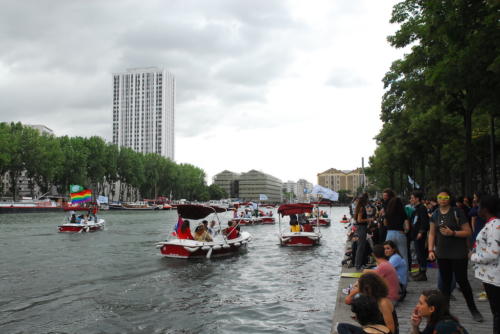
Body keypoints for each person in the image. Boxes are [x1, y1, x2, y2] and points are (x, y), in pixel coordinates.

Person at [428, 189, 483, 322]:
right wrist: (430, 250)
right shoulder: (435, 214)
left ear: (449, 198)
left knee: (462, 282)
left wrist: (453, 233)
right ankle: (445, 313)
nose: (442, 199)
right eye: (440, 197)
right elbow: (432, 234)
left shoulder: (457, 212)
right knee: (445, 284)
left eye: (445, 197)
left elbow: (468, 231)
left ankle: (473, 309)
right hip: (442, 253)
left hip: (458, 253)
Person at [471, 195, 500, 334]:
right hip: (491, 276)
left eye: (478, 205)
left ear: (485, 209)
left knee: (497, 313)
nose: (477, 208)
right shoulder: (492, 224)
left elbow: (492, 253)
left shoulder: (495, 226)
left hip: (494, 277)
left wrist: (473, 256)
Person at [383, 196, 409, 270]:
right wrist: (405, 231)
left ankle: (389, 274)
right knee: (403, 255)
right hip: (400, 234)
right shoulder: (403, 212)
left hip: (390, 233)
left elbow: (385, 223)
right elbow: (407, 227)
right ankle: (405, 276)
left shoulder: (388, 212)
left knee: (388, 254)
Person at [409, 191, 430, 281]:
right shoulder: (416, 209)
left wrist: (421, 232)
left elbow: (424, 222)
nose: (411, 200)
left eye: (412, 198)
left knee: (421, 253)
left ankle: (423, 273)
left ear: (417, 198)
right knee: (418, 254)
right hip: (415, 234)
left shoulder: (422, 208)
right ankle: (420, 272)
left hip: (420, 235)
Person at [355, 193, 372, 270]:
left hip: (361, 228)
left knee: (361, 246)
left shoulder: (360, 207)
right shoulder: (361, 208)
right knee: (361, 247)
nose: (368, 201)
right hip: (361, 228)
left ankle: (360, 264)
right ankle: (358, 265)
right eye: (367, 199)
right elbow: (359, 220)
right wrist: (368, 219)